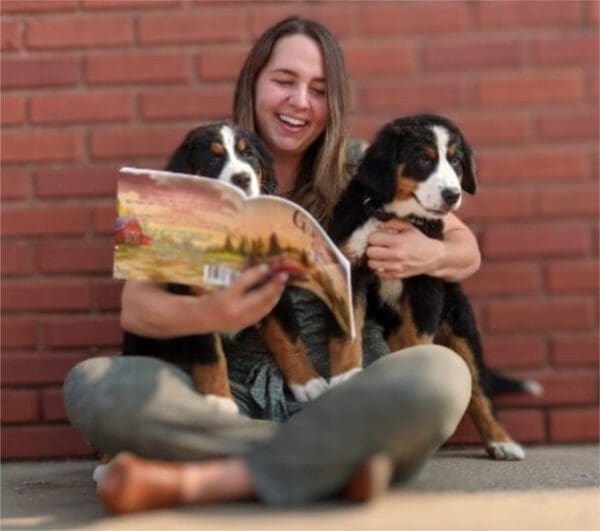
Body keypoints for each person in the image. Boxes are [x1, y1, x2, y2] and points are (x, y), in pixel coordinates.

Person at [63, 17, 480, 514]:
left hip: (347, 390)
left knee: (442, 376)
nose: (299, 102)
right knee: (95, 386)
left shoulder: (363, 164)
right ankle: (327, 464)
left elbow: (465, 248)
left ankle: (197, 479)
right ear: (254, 83)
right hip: (221, 396)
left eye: (319, 90)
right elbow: (137, 310)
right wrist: (210, 315)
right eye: (284, 81)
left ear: (335, 102)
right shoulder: (197, 167)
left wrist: (432, 253)